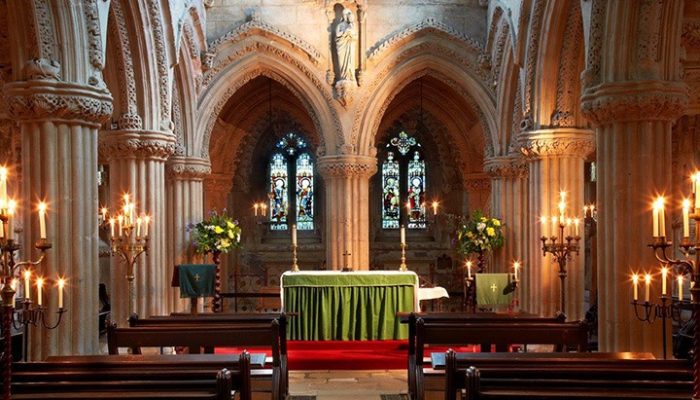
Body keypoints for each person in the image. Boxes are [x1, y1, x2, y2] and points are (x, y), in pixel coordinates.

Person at [335, 8, 357, 82]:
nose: (345, 16)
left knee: (350, 60)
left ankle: (350, 75)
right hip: (342, 46)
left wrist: (350, 31)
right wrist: (344, 32)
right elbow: (337, 34)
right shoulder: (340, 25)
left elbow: (355, 35)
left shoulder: (352, 25)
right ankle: (343, 76)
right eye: (343, 15)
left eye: (346, 14)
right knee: (342, 62)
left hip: (350, 45)